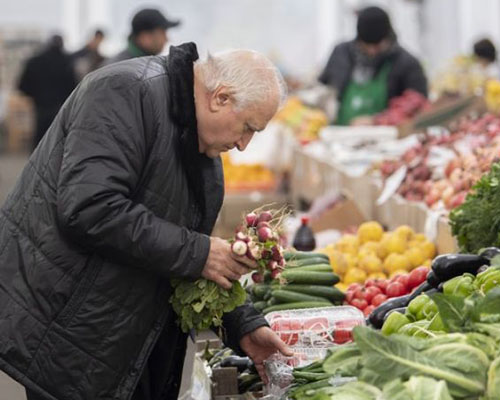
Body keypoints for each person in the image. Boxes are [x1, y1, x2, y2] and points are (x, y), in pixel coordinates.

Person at [0, 42, 291, 400]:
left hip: (127, 330)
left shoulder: (200, 140)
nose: (245, 144)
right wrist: (200, 252)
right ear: (220, 98)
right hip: (74, 333)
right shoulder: (124, 91)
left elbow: (181, 246)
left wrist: (241, 323)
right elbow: (90, 207)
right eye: (248, 128)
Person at [319, 6, 428, 125]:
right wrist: (325, 101)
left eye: (378, 45)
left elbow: (420, 105)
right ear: (358, 39)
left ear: (388, 37)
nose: (372, 51)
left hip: (389, 139)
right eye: (366, 45)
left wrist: (378, 120)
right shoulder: (341, 54)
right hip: (338, 135)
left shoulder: (407, 63)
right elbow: (323, 86)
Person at [17, 34, 76, 150]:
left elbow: (22, 86)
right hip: (61, 107)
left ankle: (36, 165)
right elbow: (74, 87)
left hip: (40, 107)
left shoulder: (34, 61)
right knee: (59, 141)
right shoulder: (67, 62)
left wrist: (35, 96)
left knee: (39, 139)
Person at [105, 8, 180, 65]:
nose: (167, 39)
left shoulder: (142, 64)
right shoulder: (124, 69)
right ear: (145, 38)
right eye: (162, 33)